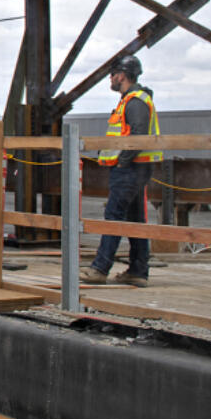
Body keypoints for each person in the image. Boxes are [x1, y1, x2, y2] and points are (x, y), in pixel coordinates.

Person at [81, 54, 162, 287]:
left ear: (122, 76)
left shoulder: (135, 102)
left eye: (113, 75)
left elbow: (138, 134)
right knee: (135, 219)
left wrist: (123, 162)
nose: (111, 79)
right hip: (134, 168)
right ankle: (138, 271)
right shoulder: (131, 100)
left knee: (113, 217)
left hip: (130, 169)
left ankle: (99, 268)